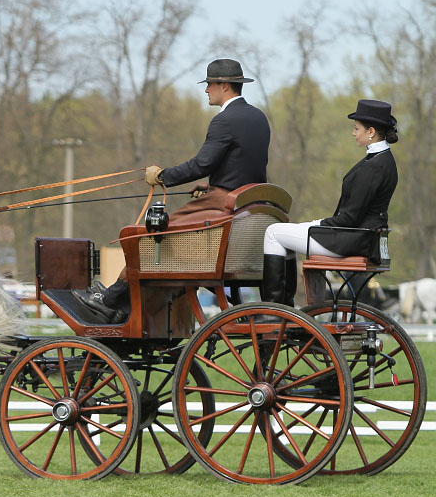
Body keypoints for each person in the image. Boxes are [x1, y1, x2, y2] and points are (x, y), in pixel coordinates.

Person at [74, 58, 271, 322]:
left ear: (224, 85)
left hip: (222, 203)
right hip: (244, 200)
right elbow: (243, 164)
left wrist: (163, 176)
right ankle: (126, 301)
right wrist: (213, 184)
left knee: (149, 235)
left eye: (209, 84)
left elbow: (202, 163)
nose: (206, 90)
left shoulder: (224, 120)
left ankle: (111, 299)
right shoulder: (258, 118)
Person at [259, 99, 398, 305]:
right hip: (359, 237)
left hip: (350, 240)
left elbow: (350, 218)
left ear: (371, 131)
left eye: (356, 128)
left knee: (273, 232)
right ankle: (288, 306)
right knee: (287, 232)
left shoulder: (374, 166)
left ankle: (274, 308)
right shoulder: (382, 160)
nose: (353, 133)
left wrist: (318, 225)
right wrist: (317, 223)